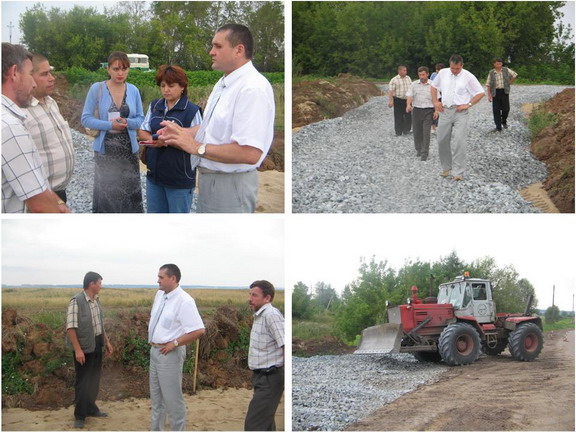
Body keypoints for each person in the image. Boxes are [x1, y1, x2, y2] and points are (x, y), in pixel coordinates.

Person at [156, 24, 275, 213]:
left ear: (239, 50)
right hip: (212, 181)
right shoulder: (224, 83)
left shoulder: (252, 88)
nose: (211, 52)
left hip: (230, 186)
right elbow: (211, 128)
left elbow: (250, 153)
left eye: (218, 46)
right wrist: (181, 133)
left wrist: (196, 147)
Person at [2, 43, 70, 213]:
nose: (33, 84)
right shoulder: (10, 127)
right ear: (14, 73)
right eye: (29, 74)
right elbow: (38, 202)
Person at [81, 51, 144, 213]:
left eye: (124, 69)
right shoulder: (97, 88)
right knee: (107, 194)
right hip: (105, 153)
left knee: (129, 194)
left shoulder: (133, 90)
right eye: (116, 69)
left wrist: (126, 122)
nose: (120, 73)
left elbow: (139, 119)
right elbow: (86, 119)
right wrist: (110, 125)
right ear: (108, 69)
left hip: (129, 152)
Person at [148, 264, 205, 431]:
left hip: (169, 354)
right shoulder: (160, 295)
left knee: (173, 400)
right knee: (157, 399)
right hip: (155, 351)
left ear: (173, 278)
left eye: (161, 277)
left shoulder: (184, 301)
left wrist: (174, 343)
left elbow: (198, 330)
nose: (157, 280)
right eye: (158, 277)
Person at [139, 65, 202, 213]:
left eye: (171, 85)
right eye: (163, 85)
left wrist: (167, 141)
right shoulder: (155, 106)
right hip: (154, 176)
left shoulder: (192, 111)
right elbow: (143, 130)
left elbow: (198, 141)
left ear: (182, 87)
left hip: (179, 178)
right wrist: (153, 141)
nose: (166, 89)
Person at [65, 271, 113, 429]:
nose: (101, 286)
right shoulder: (77, 301)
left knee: (94, 379)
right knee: (83, 381)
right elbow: (71, 327)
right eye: (99, 282)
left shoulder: (96, 301)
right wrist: (78, 350)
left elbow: (100, 325)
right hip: (84, 347)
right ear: (91, 284)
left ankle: (91, 408)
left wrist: (107, 342)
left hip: (97, 344)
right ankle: (80, 415)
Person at [25, 53, 75, 203]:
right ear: (29, 76)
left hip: (59, 192)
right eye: (44, 74)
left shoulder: (51, 102)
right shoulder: (22, 111)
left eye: (50, 72)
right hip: (39, 196)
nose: (52, 78)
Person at [431, 55, 485, 181]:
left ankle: (458, 172)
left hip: (460, 112)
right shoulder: (443, 73)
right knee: (441, 140)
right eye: (452, 68)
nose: (454, 71)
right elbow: (433, 87)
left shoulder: (468, 76)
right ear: (449, 65)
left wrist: (469, 104)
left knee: (459, 141)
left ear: (462, 65)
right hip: (445, 110)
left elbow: (480, 92)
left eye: (457, 68)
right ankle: (446, 168)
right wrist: (435, 101)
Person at [244, 280, 284, 431]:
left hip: (270, 377)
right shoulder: (260, 315)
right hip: (261, 377)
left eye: (254, 295)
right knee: (265, 424)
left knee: (254, 425)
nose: (250, 298)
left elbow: (284, 344)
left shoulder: (271, 315)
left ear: (267, 298)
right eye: (250, 294)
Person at [406, 67, 438, 161]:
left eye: (423, 74)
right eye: (420, 75)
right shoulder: (414, 84)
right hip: (416, 110)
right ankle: (419, 149)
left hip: (428, 110)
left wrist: (436, 111)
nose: (421, 77)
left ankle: (425, 153)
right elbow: (409, 95)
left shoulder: (433, 85)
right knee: (417, 131)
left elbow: (436, 99)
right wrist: (408, 104)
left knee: (426, 132)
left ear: (427, 74)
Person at [486, 58, 518, 132]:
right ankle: (498, 127)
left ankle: (503, 121)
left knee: (506, 109)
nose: (498, 65)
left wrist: (510, 82)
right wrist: (489, 95)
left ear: (502, 64)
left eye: (500, 64)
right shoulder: (491, 73)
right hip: (495, 92)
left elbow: (515, 75)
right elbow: (488, 84)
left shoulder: (506, 70)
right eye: (497, 64)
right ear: (494, 64)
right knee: (496, 110)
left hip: (504, 92)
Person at [388, 65, 412, 136]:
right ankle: (398, 131)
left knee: (408, 115)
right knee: (398, 116)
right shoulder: (394, 80)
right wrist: (391, 101)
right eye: (404, 70)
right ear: (399, 71)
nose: (405, 72)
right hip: (398, 99)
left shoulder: (408, 78)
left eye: (406, 70)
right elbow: (391, 91)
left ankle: (406, 130)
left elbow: (411, 88)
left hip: (407, 99)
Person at [429, 63, 444, 132]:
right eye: (437, 69)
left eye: (439, 69)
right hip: (435, 94)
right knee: (435, 109)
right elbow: (431, 84)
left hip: (443, 94)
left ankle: (442, 126)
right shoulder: (433, 75)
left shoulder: (446, 75)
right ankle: (433, 126)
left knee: (444, 110)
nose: (438, 71)